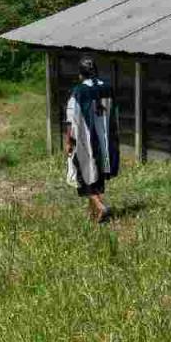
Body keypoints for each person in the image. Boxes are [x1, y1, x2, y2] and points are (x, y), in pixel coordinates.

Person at [64, 56, 120, 223]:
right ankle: (95, 215)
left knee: (82, 176)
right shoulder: (108, 88)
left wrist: (69, 141)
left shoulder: (79, 91)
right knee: (99, 175)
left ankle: (101, 207)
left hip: (86, 140)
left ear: (80, 74)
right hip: (105, 140)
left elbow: (71, 118)